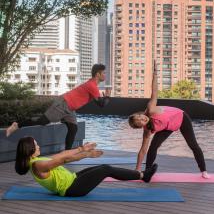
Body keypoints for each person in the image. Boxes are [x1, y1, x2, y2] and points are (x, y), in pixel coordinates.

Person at [128, 60, 209, 179]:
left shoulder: (150, 110)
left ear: (141, 113)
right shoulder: (147, 130)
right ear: (140, 126)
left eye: (140, 116)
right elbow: (142, 150)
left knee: (193, 145)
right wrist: (137, 169)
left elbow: (154, 92)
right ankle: (147, 173)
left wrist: (155, 73)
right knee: (152, 147)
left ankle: (203, 170)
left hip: (181, 118)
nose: (142, 119)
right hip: (167, 127)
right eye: (138, 122)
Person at [6, 64, 110, 150]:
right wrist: (107, 97)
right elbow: (101, 104)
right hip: (63, 104)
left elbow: (101, 102)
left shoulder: (93, 85)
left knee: (73, 128)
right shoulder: (92, 85)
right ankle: (17, 125)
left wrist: (105, 99)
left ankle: (67, 152)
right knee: (43, 121)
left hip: (70, 109)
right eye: (104, 73)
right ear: (98, 74)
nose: (105, 75)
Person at [15, 137, 158, 197]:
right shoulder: (38, 165)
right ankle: (143, 176)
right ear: (29, 149)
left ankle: (143, 175)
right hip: (71, 189)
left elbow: (62, 154)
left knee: (103, 167)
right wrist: (87, 155)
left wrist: (82, 148)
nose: (38, 146)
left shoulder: (36, 160)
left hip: (73, 180)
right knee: (105, 169)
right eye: (36, 145)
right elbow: (64, 160)